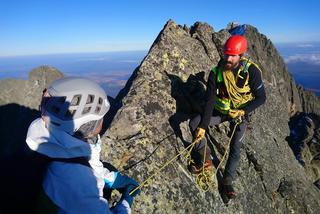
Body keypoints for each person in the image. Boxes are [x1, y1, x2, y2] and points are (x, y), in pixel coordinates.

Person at [26, 77, 140, 213]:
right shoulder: (78, 181)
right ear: (89, 125)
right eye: (101, 118)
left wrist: (112, 178)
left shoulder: (47, 135)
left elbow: (85, 163)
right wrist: (126, 203)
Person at [189, 35, 266, 199]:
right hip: (221, 112)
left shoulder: (251, 72)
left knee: (236, 147)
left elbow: (261, 97)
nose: (228, 58)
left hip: (239, 115)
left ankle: (227, 182)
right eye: (226, 54)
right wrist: (203, 126)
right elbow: (209, 101)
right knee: (195, 122)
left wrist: (243, 111)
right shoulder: (216, 73)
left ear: (241, 55)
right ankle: (205, 161)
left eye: (232, 55)